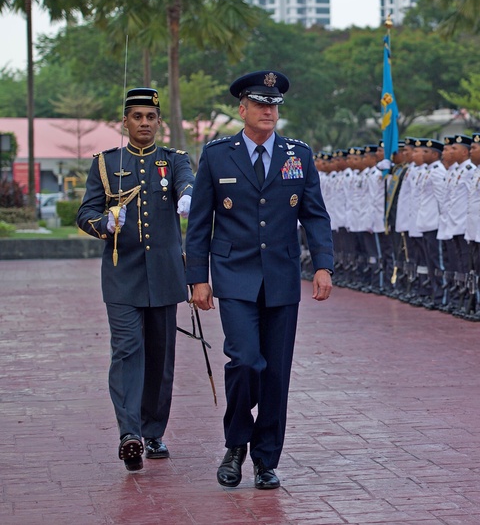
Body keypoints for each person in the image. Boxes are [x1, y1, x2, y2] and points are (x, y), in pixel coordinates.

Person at [185, 70, 334, 489]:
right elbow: (199, 222)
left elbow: (315, 215)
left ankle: (266, 459)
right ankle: (236, 444)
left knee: (276, 373)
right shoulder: (218, 155)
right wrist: (198, 278)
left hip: (281, 277)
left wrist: (323, 265)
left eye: (273, 105)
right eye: (259, 104)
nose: (268, 111)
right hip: (234, 275)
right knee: (246, 361)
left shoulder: (297, 154)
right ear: (242, 109)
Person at [77, 87, 194, 472]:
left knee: (160, 357)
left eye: (151, 117)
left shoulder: (174, 160)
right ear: (124, 121)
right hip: (122, 274)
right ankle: (129, 434)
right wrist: (104, 223)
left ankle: (153, 431)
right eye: (137, 117)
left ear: (159, 122)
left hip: (164, 274)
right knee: (127, 351)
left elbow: (186, 182)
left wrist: (188, 196)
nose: (145, 123)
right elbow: (85, 214)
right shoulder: (106, 163)